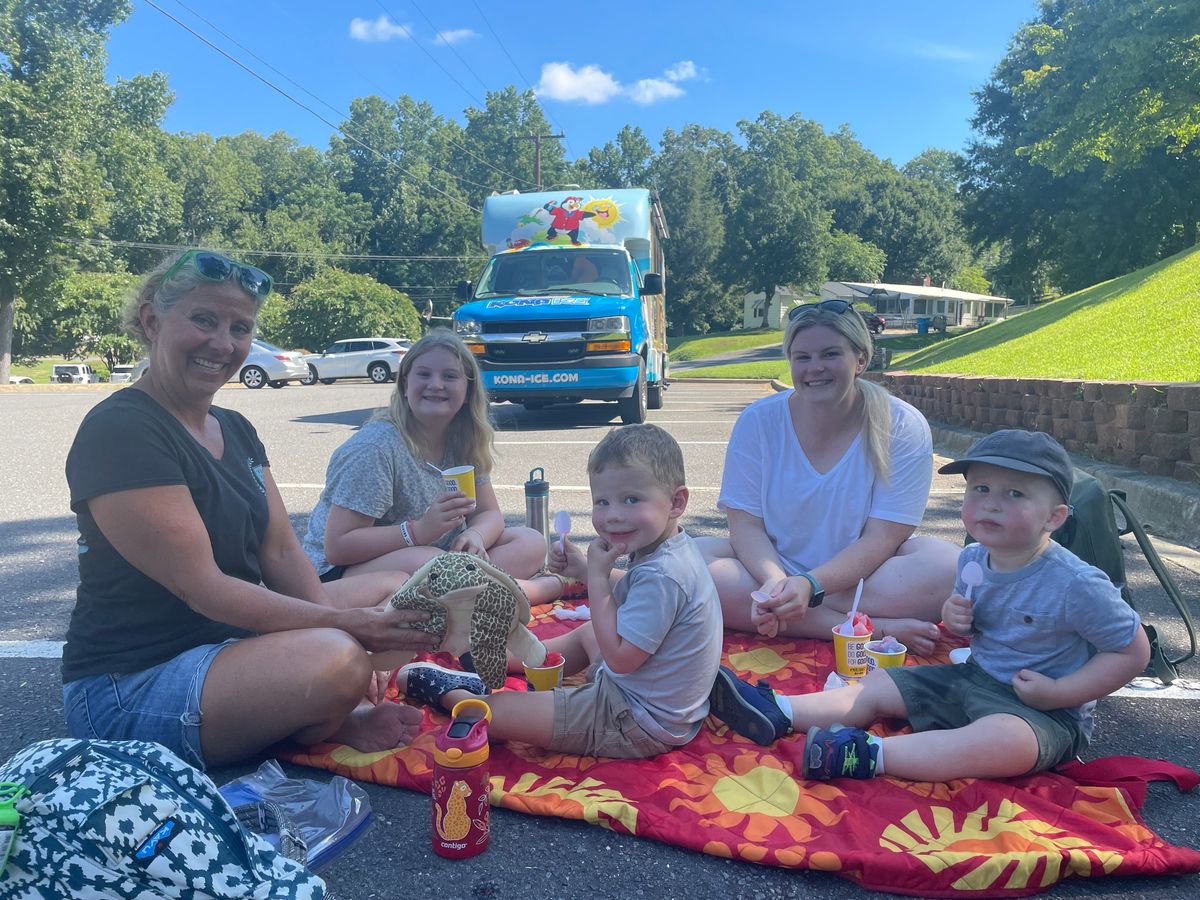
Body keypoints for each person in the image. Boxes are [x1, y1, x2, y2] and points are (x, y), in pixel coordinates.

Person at [62, 249, 439, 770]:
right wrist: (347, 630)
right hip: (131, 684)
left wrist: (348, 621)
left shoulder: (235, 427)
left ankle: (308, 710)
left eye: (240, 327)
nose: (223, 344)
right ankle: (314, 715)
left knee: (387, 588)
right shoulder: (122, 428)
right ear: (151, 320)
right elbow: (201, 587)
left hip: (224, 647)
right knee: (340, 657)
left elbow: (282, 551)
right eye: (203, 320)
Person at [708, 429, 1151, 782]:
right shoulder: (976, 559)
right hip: (974, 679)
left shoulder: (1076, 583)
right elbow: (982, 626)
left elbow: (1133, 652)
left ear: (1054, 517)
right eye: (980, 488)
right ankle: (779, 709)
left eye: (1015, 494)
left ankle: (868, 755)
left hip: (1040, 712)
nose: (991, 503)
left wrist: (1061, 693)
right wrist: (961, 619)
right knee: (881, 686)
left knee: (1003, 741)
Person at [395, 424, 725, 758]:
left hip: (635, 721)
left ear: (676, 502)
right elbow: (634, 591)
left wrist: (595, 579)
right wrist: (584, 569)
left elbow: (621, 659)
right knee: (587, 633)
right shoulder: (670, 549)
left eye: (631, 499)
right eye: (603, 501)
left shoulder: (664, 576)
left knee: (497, 713)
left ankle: (456, 691)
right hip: (649, 695)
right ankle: (505, 662)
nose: (613, 516)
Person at [695, 299, 959, 655]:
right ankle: (870, 628)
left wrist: (811, 585)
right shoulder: (758, 420)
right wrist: (777, 584)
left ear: (861, 359)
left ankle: (796, 617)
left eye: (830, 354)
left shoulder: (901, 424)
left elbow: (884, 536)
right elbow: (745, 525)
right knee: (685, 562)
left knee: (949, 566)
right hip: (768, 571)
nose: (815, 368)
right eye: (802, 358)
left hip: (864, 581)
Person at [301, 329, 568, 604]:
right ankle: (537, 590)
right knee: (434, 564)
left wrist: (475, 535)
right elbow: (338, 547)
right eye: (424, 374)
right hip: (338, 576)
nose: (436, 384)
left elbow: (489, 514)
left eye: (450, 376)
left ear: (467, 391)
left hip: (434, 555)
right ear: (405, 384)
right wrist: (417, 531)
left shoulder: (464, 439)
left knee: (530, 542)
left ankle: (471, 596)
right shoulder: (375, 448)